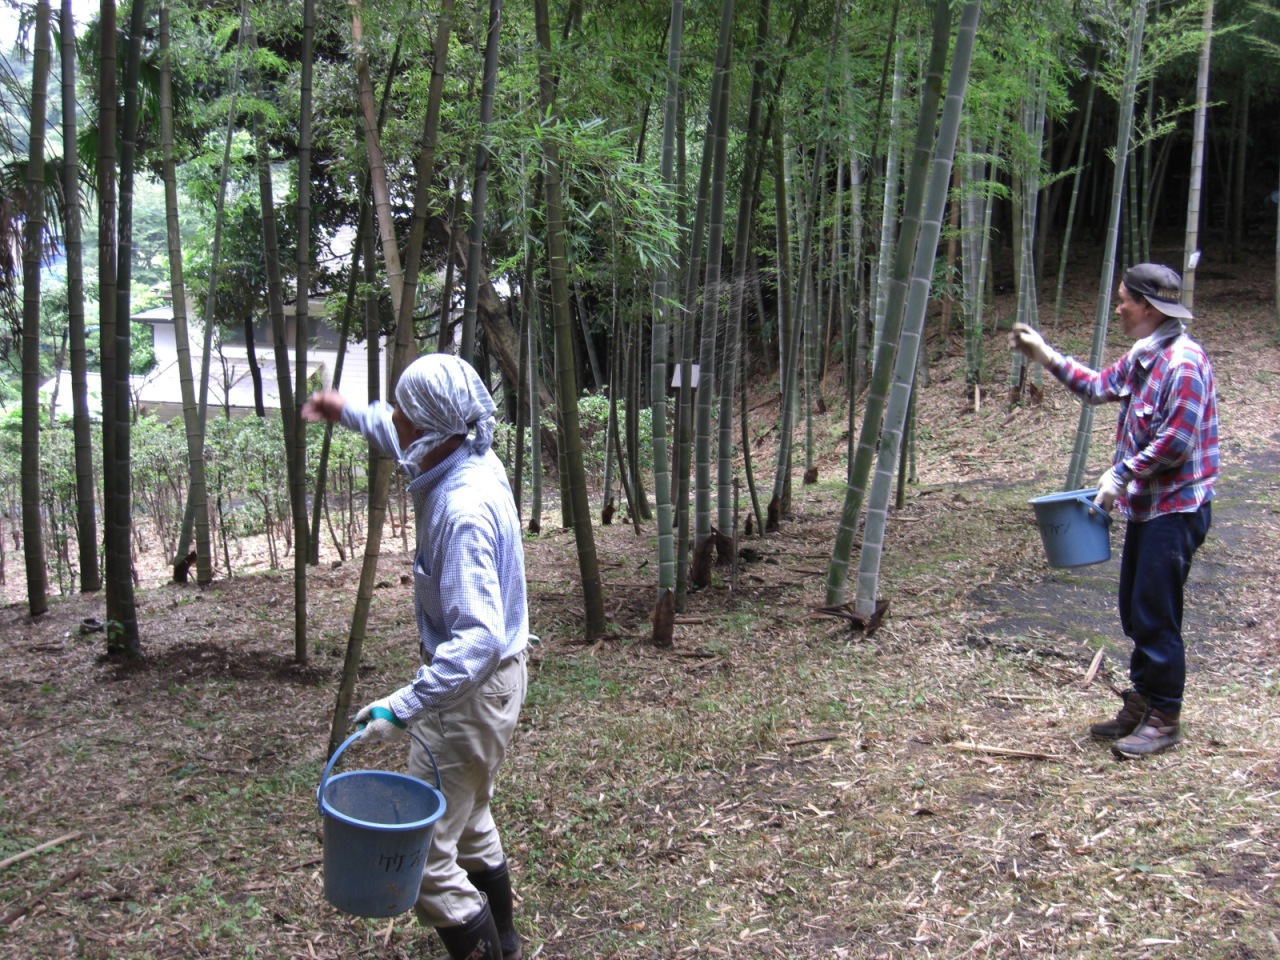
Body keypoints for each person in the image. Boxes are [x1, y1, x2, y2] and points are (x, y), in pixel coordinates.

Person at [302, 353, 529, 960]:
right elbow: (391, 427)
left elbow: (477, 639)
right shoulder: (466, 446)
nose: (394, 419)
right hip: (497, 684)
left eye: (403, 412)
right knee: (470, 817)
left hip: (471, 690)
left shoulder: (462, 509)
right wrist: (343, 410)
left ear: (431, 426)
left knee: (422, 857)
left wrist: (401, 706)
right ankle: (505, 944)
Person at [1009, 263, 1219, 759]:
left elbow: (1176, 441)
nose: (1118, 307)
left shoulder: (1184, 363)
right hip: (1148, 507)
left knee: (1155, 612)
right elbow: (1098, 387)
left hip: (1177, 508)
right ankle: (1144, 700)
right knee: (1135, 608)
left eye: (1124, 299)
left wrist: (1122, 473)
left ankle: (1164, 716)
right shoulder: (1145, 354)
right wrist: (1046, 356)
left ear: (1147, 306)